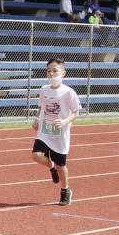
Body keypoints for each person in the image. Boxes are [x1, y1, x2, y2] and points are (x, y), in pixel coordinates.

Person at [31, 58, 81, 206]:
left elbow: (76, 112)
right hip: (45, 130)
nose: (51, 74)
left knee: (61, 166)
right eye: (49, 71)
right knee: (36, 155)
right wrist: (37, 119)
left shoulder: (69, 92)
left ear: (63, 73)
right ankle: (50, 167)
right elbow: (42, 107)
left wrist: (65, 121)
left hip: (60, 133)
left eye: (55, 71)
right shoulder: (44, 89)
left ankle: (65, 190)